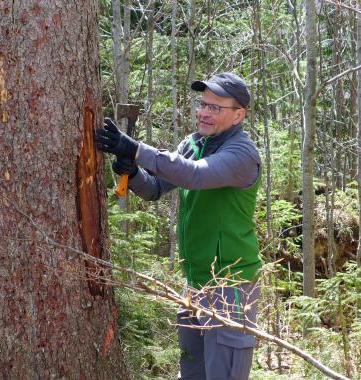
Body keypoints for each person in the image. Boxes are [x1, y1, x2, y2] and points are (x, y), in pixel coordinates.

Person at [95, 72, 262, 380]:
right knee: (192, 375)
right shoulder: (194, 143)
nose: (204, 113)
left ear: (239, 115)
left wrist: (136, 149)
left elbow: (194, 175)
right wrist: (132, 174)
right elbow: (156, 188)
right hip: (195, 283)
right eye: (202, 104)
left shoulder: (242, 155)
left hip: (231, 286)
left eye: (215, 108)